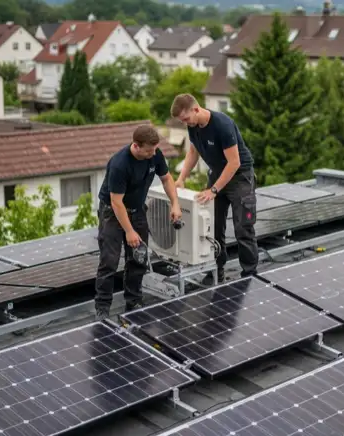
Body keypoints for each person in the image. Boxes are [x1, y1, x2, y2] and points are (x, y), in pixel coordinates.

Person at [94, 125, 182, 321]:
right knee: (110, 260)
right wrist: (129, 231)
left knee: (138, 257)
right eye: (149, 151)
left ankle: (133, 299)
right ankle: (102, 307)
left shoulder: (155, 155)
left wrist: (175, 204)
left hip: (137, 209)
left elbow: (167, 179)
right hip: (113, 212)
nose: (153, 154)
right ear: (136, 146)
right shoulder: (120, 164)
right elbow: (116, 202)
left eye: (154, 150)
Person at [170, 93, 258, 285]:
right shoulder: (193, 127)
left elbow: (234, 163)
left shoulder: (222, 125)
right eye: (182, 120)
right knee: (211, 226)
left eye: (186, 118)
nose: (185, 122)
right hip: (217, 176)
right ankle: (216, 270)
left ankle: (250, 274)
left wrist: (214, 190)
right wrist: (181, 178)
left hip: (239, 177)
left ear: (196, 109)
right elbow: (193, 152)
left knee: (243, 227)